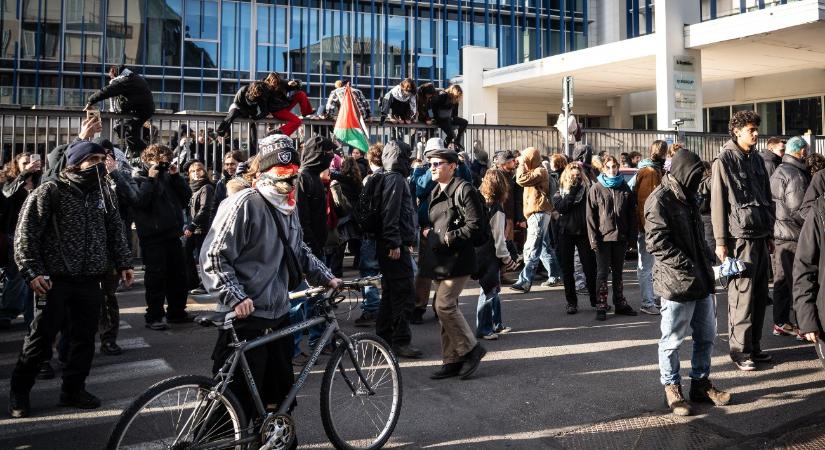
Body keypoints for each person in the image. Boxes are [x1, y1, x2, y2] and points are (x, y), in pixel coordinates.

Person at [200, 133, 340, 428]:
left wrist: (327, 278)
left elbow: (299, 250)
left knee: (278, 403)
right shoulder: (244, 203)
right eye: (282, 177)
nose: (290, 185)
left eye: (293, 177)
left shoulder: (287, 207)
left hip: (278, 316)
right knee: (230, 411)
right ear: (262, 173)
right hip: (247, 318)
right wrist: (235, 296)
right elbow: (212, 256)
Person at [8, 141, 134, 418]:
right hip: (54, 280)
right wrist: (32, 271)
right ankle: (20, 392)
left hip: (90, 279)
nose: (100, 164)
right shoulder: (50, 190)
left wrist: (124, 262)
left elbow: (115, 229)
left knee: (84, 338)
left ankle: (73, 389)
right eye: (94, 159)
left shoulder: (104, 192)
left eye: (103, 158)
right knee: (40, 338)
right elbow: (26, 235)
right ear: (76, 163)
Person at [645, 148, 730, 417]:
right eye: (694, 176)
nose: (698, 182)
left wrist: (712, 261)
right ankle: (672, 387)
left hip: (700, 281)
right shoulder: (659, 200)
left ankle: (701, 384)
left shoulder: (689, 197)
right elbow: (657, 243)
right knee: (672, 341)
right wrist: (690, 266)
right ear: (683, 173)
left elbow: (697, 238)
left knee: (706, 337)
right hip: (676, 285)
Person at [710, 110, 774, 371]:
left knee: (760, 296)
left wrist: (769, 234)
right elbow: (717, 204)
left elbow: (767, 198)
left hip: (759, 236)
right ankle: (740, 351)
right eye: (751, 129)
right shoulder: (724, 160)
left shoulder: (756, 159)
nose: (756, 133)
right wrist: (720, 241)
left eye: (756, 129)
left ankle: (754, 347)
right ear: (736, 131)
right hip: (739, 240)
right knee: (742, 298)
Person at [419, 141, 486, 380]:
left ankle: (471, 349)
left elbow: (475, 227)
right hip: (441, 260)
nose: (433, 168)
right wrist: (428, 230)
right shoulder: (436, 190)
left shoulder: (464, 189)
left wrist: (447, 237)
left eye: (438, 164)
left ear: (453, 166)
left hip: (458, 259)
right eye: (430, 164)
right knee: (447, 309)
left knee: (443, 306)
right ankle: (452, 359)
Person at [132, 144, 192, 330]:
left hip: (172, 233)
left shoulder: (169, 177)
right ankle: (154, 315)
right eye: (159, 162)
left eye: (165, 161)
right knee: (156, 277)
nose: (162, 165)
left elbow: (185, 198)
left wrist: (176, 177)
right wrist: (151, 179)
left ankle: (177, 312)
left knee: (179, 275)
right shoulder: (138, 177)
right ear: (147, 161)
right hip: (152, 235)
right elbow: (141, 202)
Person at [374, 140, 422, 358]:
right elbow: (390, 212)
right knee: (403, 292)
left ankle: (383, 337)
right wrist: (394, 242)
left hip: (393, 243)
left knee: (391, 291)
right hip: (394, 246)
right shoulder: (395, 179)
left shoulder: (389, 177)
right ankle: (400, 340)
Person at [587, 154, 638, 321]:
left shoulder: (624, 187)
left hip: (620, 237)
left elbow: (631, 214)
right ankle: (601, 304)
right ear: (603, 168)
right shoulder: (596, 188)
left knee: (618, 273)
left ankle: (620, 303)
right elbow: (590, 217)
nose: (611, 170)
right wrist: (593, 239)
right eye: (608, 167)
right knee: (602, 273)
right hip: (602, 238)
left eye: (614, 167)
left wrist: (631, 237)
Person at [769, 137, 809, 340]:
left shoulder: (779, 171)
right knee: (798, 282)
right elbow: (799, 209)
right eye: (806, 151)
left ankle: (780, 322)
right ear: (801, 152)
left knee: (782, 281)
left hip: (779, 233)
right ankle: (804, 326)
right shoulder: (795, 174)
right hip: (793, 235)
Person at [510, 147, 561, 293]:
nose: (523, 162)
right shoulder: (537, 171)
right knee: (544, 246)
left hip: (538, 213)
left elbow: (520, 180)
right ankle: (555, 275)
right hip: (538, 213)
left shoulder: (540, 171)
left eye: (526, 159)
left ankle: (525, 281)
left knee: (532, 248)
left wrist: (520, 164)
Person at [475, 169, 517, 339]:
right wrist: (507, 258)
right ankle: (484, 328)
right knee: (488, 291)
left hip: (479, 251)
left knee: (492, 289)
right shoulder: (497, 209)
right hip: (490, 254)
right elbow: (499, 239)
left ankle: (496, 324)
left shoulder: (479, 201)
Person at [553, 163, 599, 314]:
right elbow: (561, 207)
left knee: (590, 268)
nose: (576, 178)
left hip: (584, 232)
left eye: (578, 175)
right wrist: (572, 191)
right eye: (573, 175)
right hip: (565, 232)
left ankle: (595, 300)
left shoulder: (588, 187)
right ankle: (571, 302)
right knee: (567, 270)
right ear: (567, 175)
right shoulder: (561, 189)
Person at [84, 65, 155, 159]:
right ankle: (143, 154)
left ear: (115, 74)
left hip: (142, 111)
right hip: (141, 109)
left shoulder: (124, 81)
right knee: (129, 131)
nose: (111, 79)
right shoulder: (132, 77)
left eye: (111, 76)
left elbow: (107, 91)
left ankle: (148, 155)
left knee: (130, 133)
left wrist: (90, 101)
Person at [632, 140, 668, 315]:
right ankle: (647, 302)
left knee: (650, 265)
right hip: (649, 227)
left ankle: (650, 299)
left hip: (649, 226)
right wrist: (649, 227)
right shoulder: (650, 172)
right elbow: (647, 203)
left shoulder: (652, 169)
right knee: (647, 266)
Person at [354, 143, 384, 327]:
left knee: (369, 272)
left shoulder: (370, 180)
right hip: (385, 232)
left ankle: (372, 309)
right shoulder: (393, 177)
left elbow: (362, 208)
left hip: (371, 233)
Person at [297, 135, 336, 258]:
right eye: (329, 152)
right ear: (318, 154)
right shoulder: (302, 178)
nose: (332, 155)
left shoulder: (314, 176)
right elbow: (301, 218)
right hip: (310, 250)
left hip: (317, 246)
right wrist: (311, 246)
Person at [493, 150, 524, 285]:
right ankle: (498, 274)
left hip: (508, 215)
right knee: (500, 243)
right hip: (500, 214)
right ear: (505, 163)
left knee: (505, 243)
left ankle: (502, 273)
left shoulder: (509, 175)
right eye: (511, 161)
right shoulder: (497, 175)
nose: (514, 162)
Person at [185, 161, 215, 295]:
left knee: (204, 258)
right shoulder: (192, 188)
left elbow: (205, 209)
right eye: (193, 171)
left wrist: (192, 225)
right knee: (186, 252)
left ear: (204, 171)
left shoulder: (207, 187)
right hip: (194, 228)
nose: (196, 173)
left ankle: (205, 284)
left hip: (203, 228)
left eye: (199, 170)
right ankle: (192, 281)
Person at [263, 72, 314, 137]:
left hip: (284, 106)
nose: (275, 84)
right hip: (276, 111)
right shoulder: (265, 87)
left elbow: (295, 83)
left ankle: (306, 112)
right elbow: (263, 101)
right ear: (269, 81)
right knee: (297, 121)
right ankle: (279, 132)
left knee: (301, 94)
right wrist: (267, 113)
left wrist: (295, 83)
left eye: (276, 82)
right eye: (273, 82)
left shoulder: (281, 83)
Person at [430, 85, 468, 150]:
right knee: (451, 135)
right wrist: (436, 118)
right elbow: (434, 106)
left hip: (449, 117)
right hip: (441, 118)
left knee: (464, 122)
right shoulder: (443, 95)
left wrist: (453, 118)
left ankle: (457, 140)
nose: (457, 98)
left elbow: (455, 113)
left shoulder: (455, 99)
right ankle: (443, 148)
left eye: (458, 97)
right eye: (456, 96)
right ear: (452, 93)